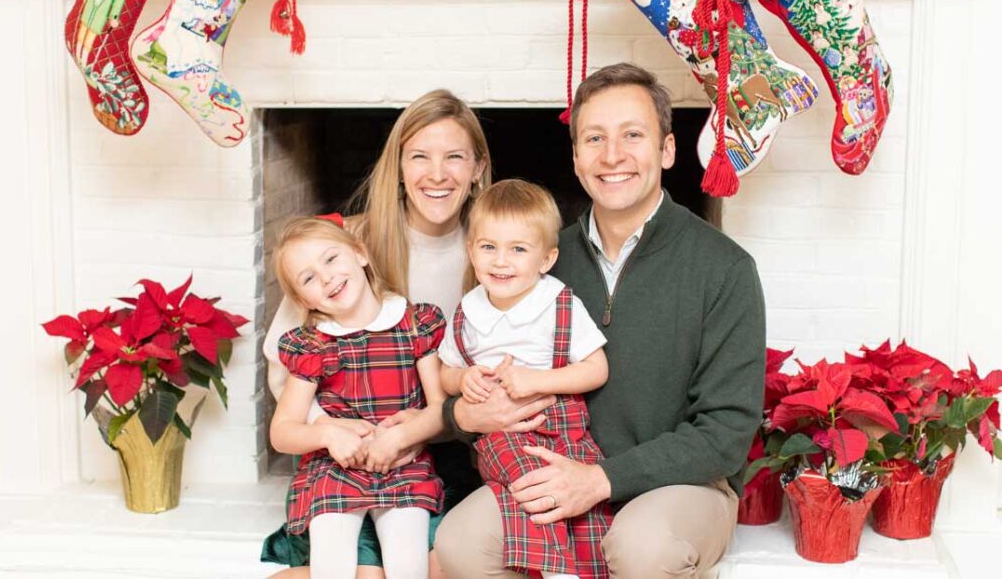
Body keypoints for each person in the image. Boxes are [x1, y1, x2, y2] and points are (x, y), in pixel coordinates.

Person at [435, 63, 766, 578]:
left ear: (667, 149)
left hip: (677, 485)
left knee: (642, 547)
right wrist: (465, 416)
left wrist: (599, 479)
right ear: (575, 157)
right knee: (458, 543)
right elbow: (468, 373)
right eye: (594, 138)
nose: (612, 156)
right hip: (552, 463)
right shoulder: (537, 259)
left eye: (633, 135)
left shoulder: (723, 269)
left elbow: (725, 433)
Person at [262, 90, 516, 578]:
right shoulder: (343, 249)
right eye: (420, 156)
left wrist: (418, 431)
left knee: (448, 564)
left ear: (478, 167)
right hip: (347, 453)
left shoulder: (498, 254)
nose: (437, 174)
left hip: (448, 450)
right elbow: (285, 366)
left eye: (455, 157)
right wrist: (332, 430)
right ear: (399, 166)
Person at [438, 179, 611, 579]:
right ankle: (557, 571)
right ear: (471, 252)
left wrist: (537, 381)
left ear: (546, 259)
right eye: (488, 247)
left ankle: (587, 565)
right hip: (504, 435)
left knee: (584, 503)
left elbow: (596, 368)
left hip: (566, 427)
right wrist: (464, 379)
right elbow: (445, 371)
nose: (501, 261)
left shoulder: (558, 303)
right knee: (530, 480)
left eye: (518, 249)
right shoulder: (468, 310)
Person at [270, 215, 447, 578]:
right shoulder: (313, 346)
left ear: (360, 254)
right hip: (335, 470)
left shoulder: (414, 325)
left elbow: (442, 409)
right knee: (331, 565)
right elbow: (282, 431)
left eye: (331, 259)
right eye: (308, 278)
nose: (326, 277)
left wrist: (406, 436)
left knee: (408, 565)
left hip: (402, 466)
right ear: (302, 298)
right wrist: (327, 433)